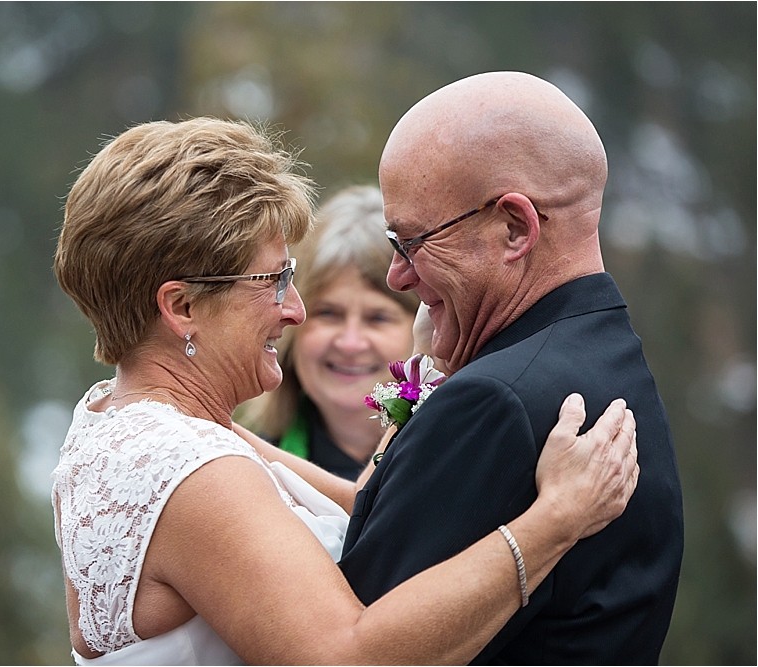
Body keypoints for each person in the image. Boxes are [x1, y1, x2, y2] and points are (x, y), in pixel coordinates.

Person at [51, 117, 639, 665]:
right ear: (182, 307)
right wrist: (555, 521)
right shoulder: (190, 469)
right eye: (274, 281)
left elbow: (357, 508)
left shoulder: (131, 421)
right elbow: (347, 656)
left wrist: (425, 371)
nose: (295, 311)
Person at [339, 72, 683, 664]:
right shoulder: (608, 356)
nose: (398, 275)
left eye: (412, 242)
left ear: (514, 228)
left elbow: (349, 639)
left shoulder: (496, 403)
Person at [240, 186, 419, 480]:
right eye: (328, 313)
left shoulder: (461, 461)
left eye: (378, 318)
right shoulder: (247, 470)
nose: (350, 343)